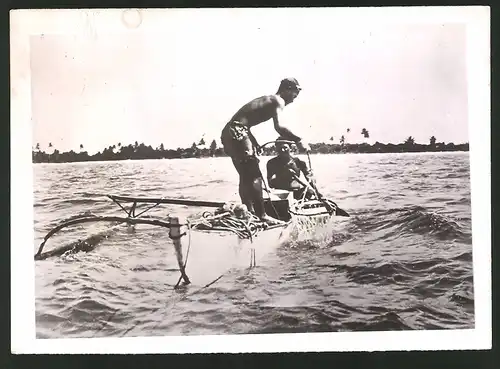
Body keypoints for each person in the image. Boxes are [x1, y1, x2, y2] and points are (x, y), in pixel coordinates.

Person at [220, 77, 310, 225]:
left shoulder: (268, 99)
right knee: (255, 175)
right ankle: (262, 216)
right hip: (238, 131)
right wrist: (299, 140)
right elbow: (279, 127)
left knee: (245, 175)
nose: (294, 100)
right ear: (287, 90)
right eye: (294, 95)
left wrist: (254, 143)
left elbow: (243, 123)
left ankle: (249, 213)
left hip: (229, 132)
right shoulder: (278, 100)